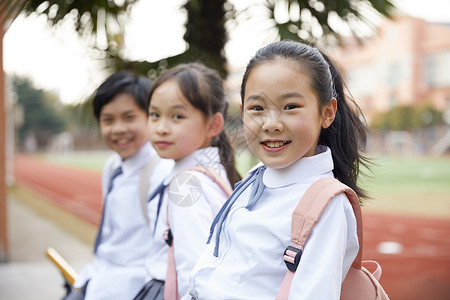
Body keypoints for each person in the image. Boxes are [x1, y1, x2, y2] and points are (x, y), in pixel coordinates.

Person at [189, 40, 372, 299]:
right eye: (257, 109)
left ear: (327, 113)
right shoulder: (254, 180)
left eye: (290, 107)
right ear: (243, 113)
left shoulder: (326, 205)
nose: (271, 124)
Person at [133, 62, 241, 300]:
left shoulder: (187, 184)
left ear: (213, 125)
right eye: (154, 115)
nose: (161, 128)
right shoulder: (212, 170)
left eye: (177, 116)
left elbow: (192, 270)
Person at [64, 71, 174, 300]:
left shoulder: (161, 171)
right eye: (108, 120)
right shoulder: (113, 167)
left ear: (150, 116)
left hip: (134, 288)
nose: (118, 129)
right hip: (99, 280)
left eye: (129, 117)